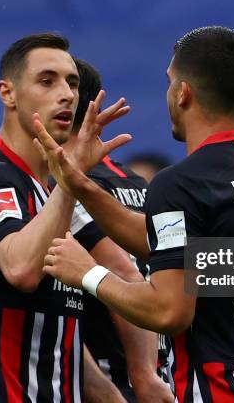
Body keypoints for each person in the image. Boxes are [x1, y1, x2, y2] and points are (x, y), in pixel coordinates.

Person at [35, 26, 234, 402]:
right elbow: (177, 252)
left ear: (183, 93)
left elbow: (170, 312)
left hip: (219, 392)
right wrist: (82, 187)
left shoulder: (180, 184)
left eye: (169, 82)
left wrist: (88, 274)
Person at [0, 33, 131, 402]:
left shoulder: (47, 191)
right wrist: (71, 177)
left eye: (72, 83)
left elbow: (61, 332)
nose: (67, 94)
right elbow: (22, 269)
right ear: (7, 93)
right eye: (47, 81)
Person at [71, 58, 173, 402]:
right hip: (162, 366)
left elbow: (123, 270)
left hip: (114, 376)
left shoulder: (67, 187)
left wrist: (140, 372)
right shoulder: (140, 185)